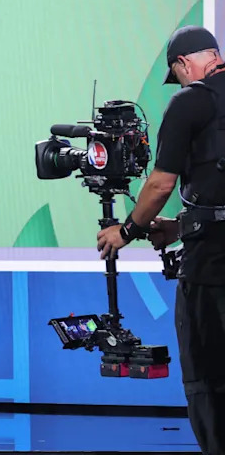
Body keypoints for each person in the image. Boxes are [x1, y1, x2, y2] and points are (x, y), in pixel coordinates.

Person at [97, 25, 225, 454]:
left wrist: (126, 231)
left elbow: (160, 185)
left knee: (208, 377)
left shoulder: (190, 102)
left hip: (212, 269)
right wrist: (182, 225)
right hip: (208, 239)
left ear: (184, 63)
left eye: (178, 74)